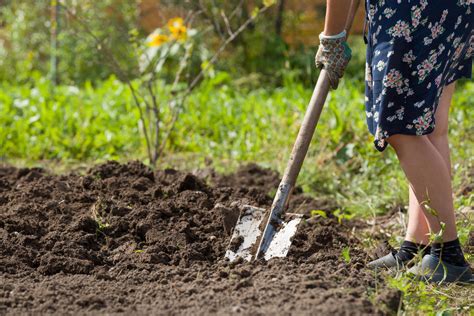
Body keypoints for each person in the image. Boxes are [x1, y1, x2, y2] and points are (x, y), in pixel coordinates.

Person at [316, 0, 473, 283]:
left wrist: (332, 37)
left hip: (411, 13)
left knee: (400, 126)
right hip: (453, 9)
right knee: (429, 126)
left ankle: (448, 255)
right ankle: (419, 244)